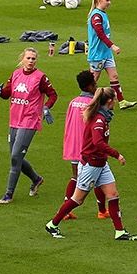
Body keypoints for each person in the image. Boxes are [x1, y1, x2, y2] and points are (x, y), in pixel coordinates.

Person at [45, 88, 137, 241]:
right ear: (108, 101)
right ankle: (52, 224)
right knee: (78, 199)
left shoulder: (103, 117)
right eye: (114, 99)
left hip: (101, 164)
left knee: (113, 195)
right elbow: (98, 143)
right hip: (91, 164)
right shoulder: (99, 120)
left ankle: (120, 232)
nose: (115, 102)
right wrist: (117, 154)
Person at [0, 47, 57, 203]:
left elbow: (53, 95)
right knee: (15, 157)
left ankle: (9, 194)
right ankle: (36, 179)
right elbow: (7, 93)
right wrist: (0, 92)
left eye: (33, 59)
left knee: (16, 156)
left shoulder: (40, 77)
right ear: (22, 59)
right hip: (14, 120)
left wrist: (46, 107)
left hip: (29, 121)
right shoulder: (16, 74)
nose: (31, 61)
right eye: (28, 58)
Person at [55, 69, 98, 220]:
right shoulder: (92, 104)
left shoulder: (73, 102)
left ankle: (66, 210)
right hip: (87, 146)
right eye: (94, 83)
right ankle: (102, 210)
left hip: (73, 145)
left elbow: (68, 123)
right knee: (98, 177)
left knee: (75, 176)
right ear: (90, 86)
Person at [85, 0, 136, 110]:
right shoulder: (96, 16)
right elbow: (100, 34)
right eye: (107, 0)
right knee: (92, 82)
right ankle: (85, 102)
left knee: (114, 77)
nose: (109, 2)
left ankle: (121, 101)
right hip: (97, 54)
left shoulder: (103, 14)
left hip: (106, 53)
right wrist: (112, 46)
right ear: (99, 0)